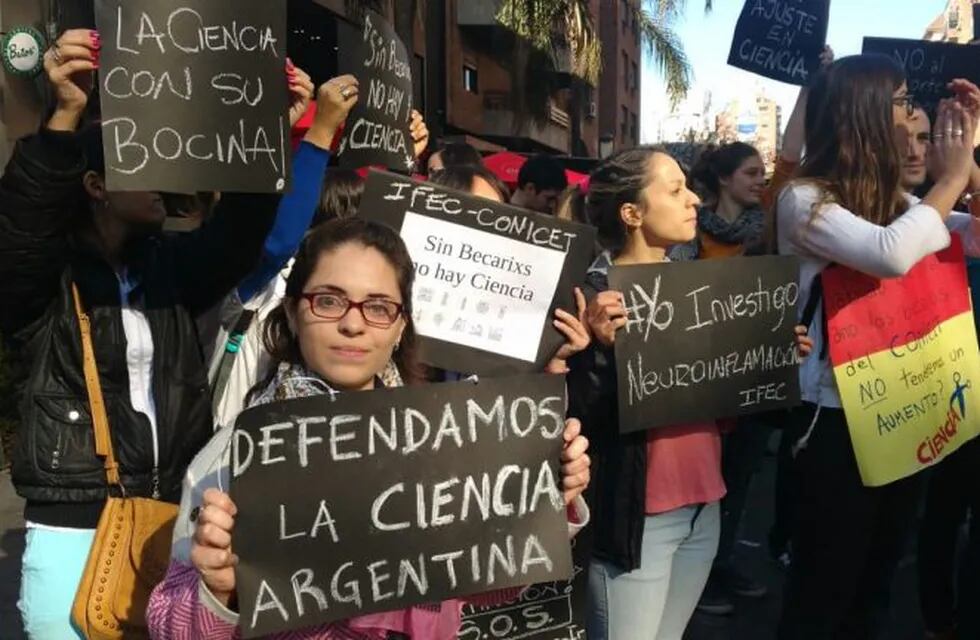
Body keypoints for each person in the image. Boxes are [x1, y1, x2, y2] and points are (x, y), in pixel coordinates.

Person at [145, 218, 593, 639]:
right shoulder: (237, 456)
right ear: (293, 312)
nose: (353, 323)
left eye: (378, 307)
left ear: (400, 325)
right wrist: (220, 592)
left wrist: (546, 501)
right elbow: (171, 629)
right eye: (328, 300)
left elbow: (488, 588)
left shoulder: (446, 439)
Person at [0, 28, 298, 639]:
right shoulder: (43, 286)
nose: (162, 176)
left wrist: (270, 133)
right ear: (96, 187)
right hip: (75, 528)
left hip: (171, 517)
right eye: (140, 161)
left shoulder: (169, 271)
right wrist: (65, 115)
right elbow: (23, 228)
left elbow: (242, 236)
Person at [774, 55, 980, 639]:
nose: (911, 113)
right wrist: (952, 179)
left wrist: (970, 161)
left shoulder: (908, 206)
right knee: (824, 585)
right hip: (834, 422)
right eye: (900, 100)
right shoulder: (805, 200)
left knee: (876, 581)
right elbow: (889, 252)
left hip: (903, 414)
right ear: (862, 112)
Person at [568, 146, 812, 639]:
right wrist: (595, 351)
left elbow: (721, 403)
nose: (694, 201)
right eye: (675, 190)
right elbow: (572, 420)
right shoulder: (589, 297)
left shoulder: (702, 290)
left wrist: (767, 356)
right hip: (638, 521)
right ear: (632, 213)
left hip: (703, 509)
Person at [904, 109, 980, 640]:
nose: (916, 149)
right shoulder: (911, 214)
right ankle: (939, 618)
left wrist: (968, 161)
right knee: (944, 508)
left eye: (926, 137)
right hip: (944, 387)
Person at [671, 142, 766, 261]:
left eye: (762, 174)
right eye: (751, 173)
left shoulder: (769, 228)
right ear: (724, 178)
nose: (761, 181)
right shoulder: (692, 231)